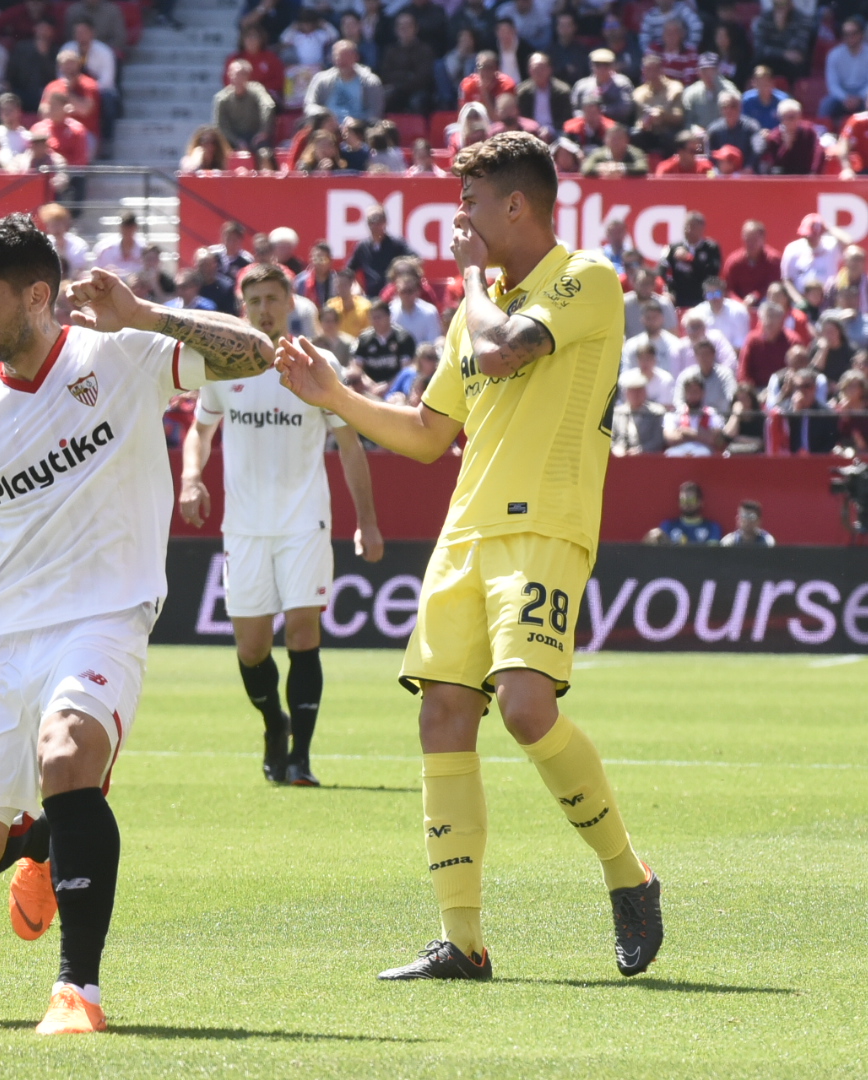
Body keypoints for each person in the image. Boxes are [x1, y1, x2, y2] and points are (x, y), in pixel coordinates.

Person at [274, 131, 661, 982]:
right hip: (465, 535)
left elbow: (506, 349)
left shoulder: (585, 278)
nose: (459, 217)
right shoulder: (474, 309)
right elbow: (424, 434)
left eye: (471, 202)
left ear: (515, 205)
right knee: (442, 716)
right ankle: (463, 940)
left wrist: (467, 285)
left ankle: (629, 876)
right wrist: (334, 394)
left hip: (544, 529)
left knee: (525, 708)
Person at [0, 214, 274, 1034]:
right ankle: (41, 840)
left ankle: (79, 992)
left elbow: (256, 352)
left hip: (103, 618)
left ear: (39, 295)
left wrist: (146, 313)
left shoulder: (122, 353)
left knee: (67, 752)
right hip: (2, 643)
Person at [178, 263, 382, 785]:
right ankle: (275, 725)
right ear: (243, 308)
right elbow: (199, 431)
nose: (263, 309)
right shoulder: (226, 366)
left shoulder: (318, 362)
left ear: (290, 303)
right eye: (254, 301)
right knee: (251, 649)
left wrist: (367, 522)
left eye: (272, 298)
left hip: (304, 522)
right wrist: (192, 477)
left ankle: (301, 759)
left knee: (302, 631)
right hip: (244, 526)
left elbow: (352, 445)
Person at [646, 480, 722, 543]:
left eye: (691, 500)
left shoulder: (712, 527)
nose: (687, 504)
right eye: (683, 500)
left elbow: (712, 554)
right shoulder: (668, 526)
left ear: (700, 502)